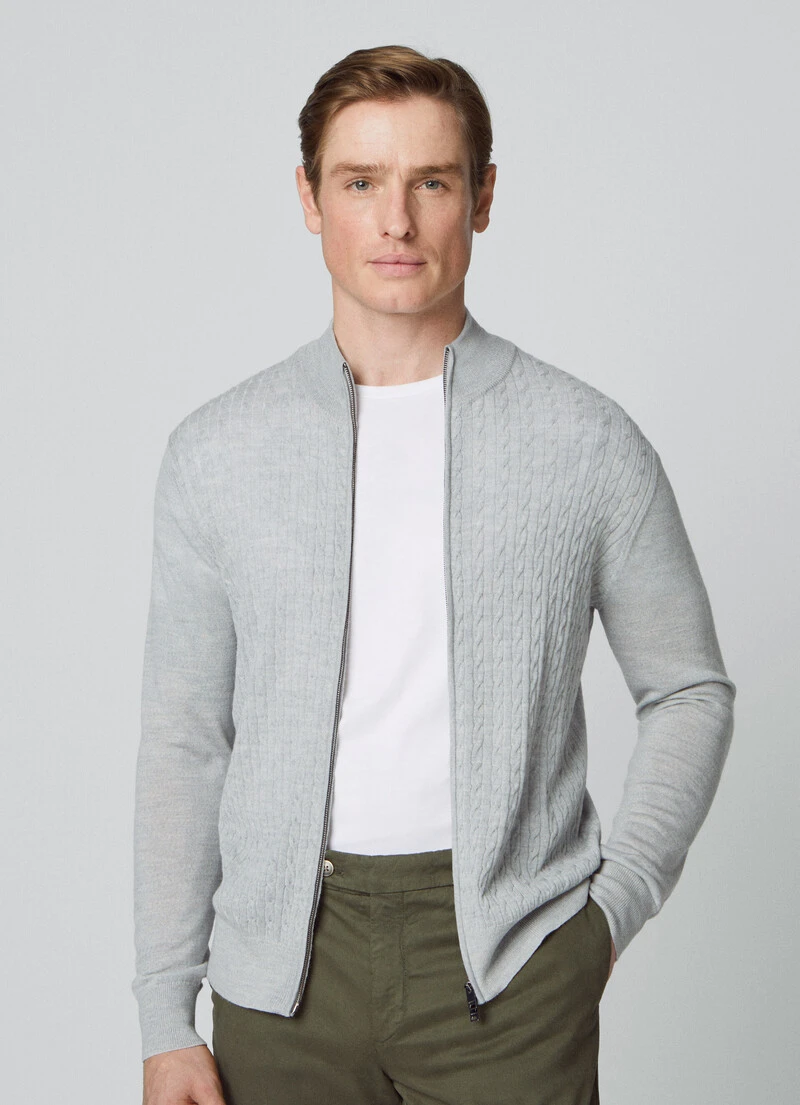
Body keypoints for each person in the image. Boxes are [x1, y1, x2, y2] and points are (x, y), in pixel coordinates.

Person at [133, 44, 735, 1105]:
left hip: (509, 967)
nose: (396, 222)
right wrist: (164, 1015)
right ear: (310, 199)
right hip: (281, 979)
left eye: (432, 183)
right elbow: (186, 736)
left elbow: (687, 688)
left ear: (482, 197)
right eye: (361, 182)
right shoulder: (217, 452)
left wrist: (606, 917)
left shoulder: (586, 442)